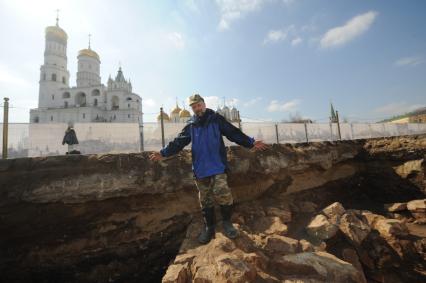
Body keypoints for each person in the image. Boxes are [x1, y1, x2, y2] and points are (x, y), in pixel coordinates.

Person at [149, 94, 268, 244]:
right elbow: (178, 142)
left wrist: (250, 142)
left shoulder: (216, 119)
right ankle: (209, 228)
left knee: (223, 194)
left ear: (204, 104)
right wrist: (163, 153)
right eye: (194, 107)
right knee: (205, 200)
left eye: (198, 105)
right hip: (200, 168)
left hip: (217, 165)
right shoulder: (191, 125)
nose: (197, 108)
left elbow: (233, 133)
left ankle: (226, 223)